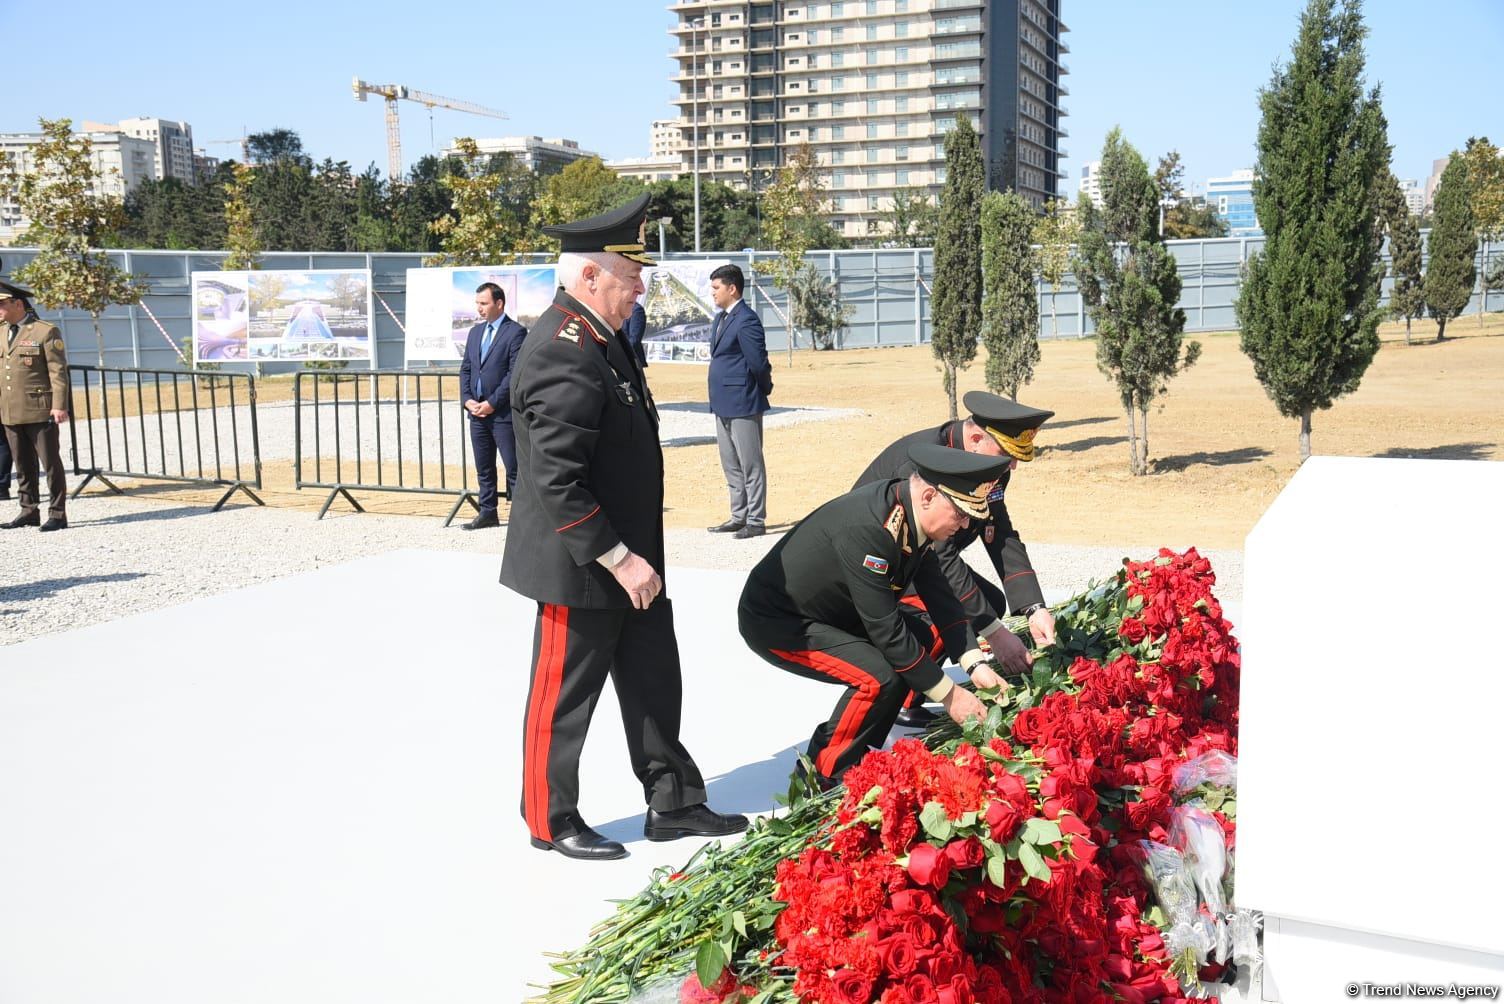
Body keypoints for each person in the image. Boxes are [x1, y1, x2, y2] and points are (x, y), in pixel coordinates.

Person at [499, 193, 746, 861]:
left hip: (632, 556)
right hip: (583, 563)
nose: (640, 289)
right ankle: (550, 819)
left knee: (653, 680)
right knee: (563, 696)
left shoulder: (602, 339)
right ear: (588, 277)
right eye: (629, 276)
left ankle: (673, 802)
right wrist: (618, 556)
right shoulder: (563, 347)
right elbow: (555, 479)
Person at [738, 443, 1012, 791]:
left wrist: (976, 664)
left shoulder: (910, 511)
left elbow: (940, 595)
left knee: (920, 640)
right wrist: (950, 695)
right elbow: (886, 629)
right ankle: (825, 773)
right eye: (960, 514)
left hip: (831, 610)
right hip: (780, 620)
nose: (964, 524)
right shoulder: (871, 528)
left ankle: (862, 753)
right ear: (929, 496)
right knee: (878, 676)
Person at [855, 391, 1056, 727]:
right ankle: (903, 694)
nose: (1013, 465)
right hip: (880, 565)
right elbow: (939, 555)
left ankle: (914, 686)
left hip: (922, 559)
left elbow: (998, 530)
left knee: (988, 600)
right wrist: (993, 632)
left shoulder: (990, 465)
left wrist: (1033, 607)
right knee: (948, 613)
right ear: (976, 438)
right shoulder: (924, 463)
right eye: (1007, 453)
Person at [705, 264, 773, 539]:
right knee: (730, 462)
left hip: (743, 400)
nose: (712, 293)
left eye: (716, 288)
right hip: (722, 401)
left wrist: (764, 388)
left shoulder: (746, 319)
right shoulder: (720, 318)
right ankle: (738, 515)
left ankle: (756, 520)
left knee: (750, 463)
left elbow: (758, 361)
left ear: (732, 289)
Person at [0, 281, 70, 532]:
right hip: (10, 410)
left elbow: (58, 372)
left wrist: (59, 405)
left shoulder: (44, 331)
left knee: (50, 463)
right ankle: (28, 510)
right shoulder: (1, 330)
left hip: (40, 409)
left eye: (2, 304)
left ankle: (58, 513)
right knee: (22, 465)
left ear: (18, 304)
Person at [458, 282, 527, 530]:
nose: (479, 308)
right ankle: (488, 512)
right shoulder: (475, 333)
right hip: (477, 414)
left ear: (499, 304)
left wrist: (491, 404)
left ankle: (522, 520)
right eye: (477, 303)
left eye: (484, 303)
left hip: (503, 415)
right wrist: (467, 400)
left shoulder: (516, 333)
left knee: (514, 467)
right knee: (484, 467)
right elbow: (466, 369)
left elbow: (514, 375)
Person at [622, 300, 649, 370]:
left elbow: (634, 340)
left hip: (631, 361)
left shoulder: (636, 310)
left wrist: (619, 354)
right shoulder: (616, 308)